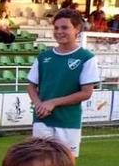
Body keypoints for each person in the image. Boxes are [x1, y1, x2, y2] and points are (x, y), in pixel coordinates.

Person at [27, 9, 98, 157]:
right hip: (42, 119)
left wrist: (53, 102)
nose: (59, 31)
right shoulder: (43, 57)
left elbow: (86, 92)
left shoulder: (86, 58)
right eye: (56, 28)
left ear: (77, 29)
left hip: (68, 121)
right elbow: (31, 86)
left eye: (64, 27)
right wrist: (38, 103)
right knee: (40, 164)